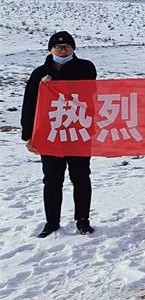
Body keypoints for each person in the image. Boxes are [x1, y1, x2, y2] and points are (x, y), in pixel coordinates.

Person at [20, 31, 98, 237]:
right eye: (58, 47)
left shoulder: (85, 67)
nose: (63, 51)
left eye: (67, 47)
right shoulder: (39, 73)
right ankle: (52, 222)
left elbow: (88, 90)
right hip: (50, 134)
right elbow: (29, 104)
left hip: (78, 131)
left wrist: (54, 82)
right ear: (51, 49)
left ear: (73, 49)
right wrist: (28, 135)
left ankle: (83, 220)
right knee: (52, 179)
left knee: (81, 177)